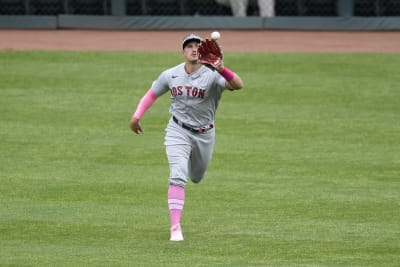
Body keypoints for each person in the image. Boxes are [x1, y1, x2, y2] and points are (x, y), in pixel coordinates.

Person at [129, 33, 244, 241]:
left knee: (197, 177)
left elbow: (238, 84)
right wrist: (136, 116)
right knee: (177, 175)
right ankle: (175, 227)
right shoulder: (170, 75)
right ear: (183, 51)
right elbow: (152, 94)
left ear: (202, 51)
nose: (193, 49)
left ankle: (193, 172)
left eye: (196, 46)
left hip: (205, 134)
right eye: (189, 46)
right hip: (177, 130)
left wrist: (221, 69)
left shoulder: (213, 75)